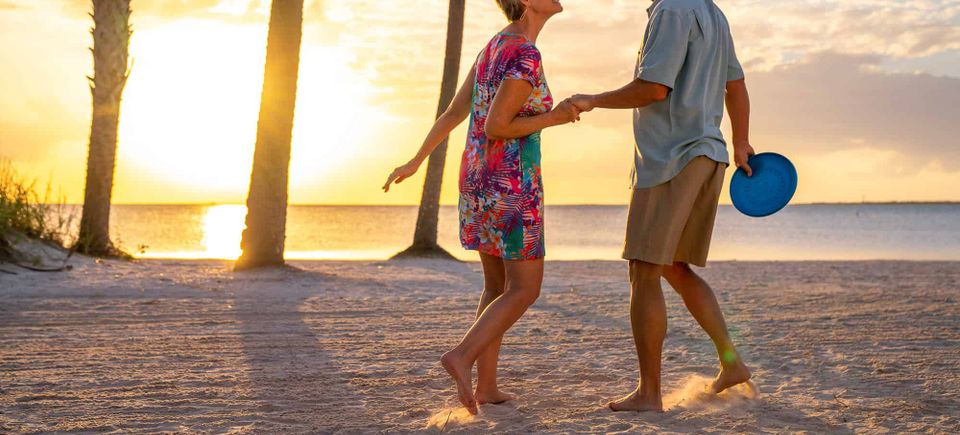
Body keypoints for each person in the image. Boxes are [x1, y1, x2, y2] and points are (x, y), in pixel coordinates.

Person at [382, 0, 580, 415]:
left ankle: (487, 387)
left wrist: (416, 160)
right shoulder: (525, 53)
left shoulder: (492, 47)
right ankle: (461, 354)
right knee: (525, 289)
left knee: (496, 288)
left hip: (477, 179)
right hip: (512, 185)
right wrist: (557, 117)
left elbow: (455, 112)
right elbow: (498, 126)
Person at [570, 0, 754, 412]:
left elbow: (654, 88)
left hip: (672, 157)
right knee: (673, 265)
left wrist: (593, 99)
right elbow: (736, 86)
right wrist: (740, 142)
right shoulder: (711, 11)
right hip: (709, 152)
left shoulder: (671, 10)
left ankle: (649, 393)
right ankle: (732, 362)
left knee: (643, 268)